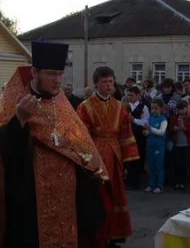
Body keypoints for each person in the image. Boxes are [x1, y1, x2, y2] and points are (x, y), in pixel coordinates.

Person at [0, 41, 112, 248]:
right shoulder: (13, 100)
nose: (57, 80)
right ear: (34, 72)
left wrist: (90, 168)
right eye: (50, 74)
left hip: (66, 197)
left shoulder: (61, 103)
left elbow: (78, 139)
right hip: (30, 197)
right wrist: (19, 120)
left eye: (60, 74)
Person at [77, 66, 139, 247]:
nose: (108, 85)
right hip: (95, 157)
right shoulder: (85, 106)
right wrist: (86, 162)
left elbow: (126, 135)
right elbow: (81, 136)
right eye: (104, 81)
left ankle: (113, 235)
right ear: (96, 83)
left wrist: (127, 163)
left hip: (115, 157)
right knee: (99, 199)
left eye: (111, 81)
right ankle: (97, 237)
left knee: (115, 198)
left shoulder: (120, 107)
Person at [143, 99, 168, 194]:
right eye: (152, 108)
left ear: (161, 108)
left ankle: (160, 185)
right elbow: (149, 131)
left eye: (156, 108)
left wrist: (150, 129)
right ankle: (151, 184)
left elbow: (161, 132)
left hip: (159, 146)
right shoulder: (150, 119)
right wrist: (146, 132)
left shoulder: (163, 119)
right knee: (151, 165)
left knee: (159, 165)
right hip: (150, 145)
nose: (154, 110)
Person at [170, 100, 190, 190]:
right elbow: (170, 130)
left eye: (183, 109)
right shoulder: (174, 118)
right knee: (177, 163)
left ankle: (183, 182)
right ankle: (177, 182)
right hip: (177, 144)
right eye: (179, 109)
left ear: (186, 109)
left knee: (184, 164)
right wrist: (174, 129)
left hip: (186, 144)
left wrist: (185, 129)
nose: (181, 111)